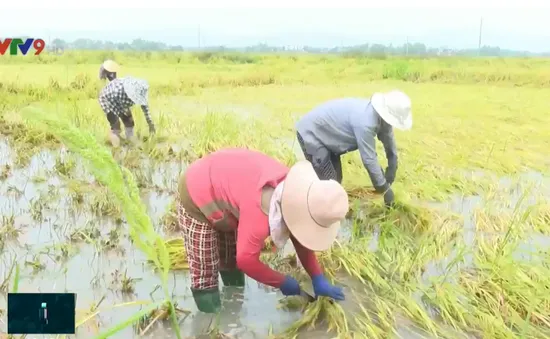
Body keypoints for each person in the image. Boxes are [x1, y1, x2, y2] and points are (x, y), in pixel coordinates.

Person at [177, 148, 349, 313]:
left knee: (229, 258)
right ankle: (211, 323)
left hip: (228, 193)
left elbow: (298, 230)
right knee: (205, 268)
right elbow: (246, 261)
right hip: (197, 190)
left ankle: (234, 302)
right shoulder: (260, 211)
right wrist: (281, 282)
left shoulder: (295, 191)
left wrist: (317, 276)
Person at [295, 90, 413, 208]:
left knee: (335, 182)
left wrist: (393, 164)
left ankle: (323, 208)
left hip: (329, 137)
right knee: (329, 186)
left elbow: (388, 137)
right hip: (311, 134)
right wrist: (384, 188)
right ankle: (310, 210)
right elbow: (369, 159)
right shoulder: (365, 122)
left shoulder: (381, 118)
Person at [98, 76, 156, 147]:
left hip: (120, 101)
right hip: (107, 99)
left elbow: (146, 110)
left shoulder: (140, 91)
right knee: (116, 125)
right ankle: (116, 147)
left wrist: (151, 125)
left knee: (130, 122)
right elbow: (120, 109)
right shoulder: (120, 90)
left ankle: (129, 137)